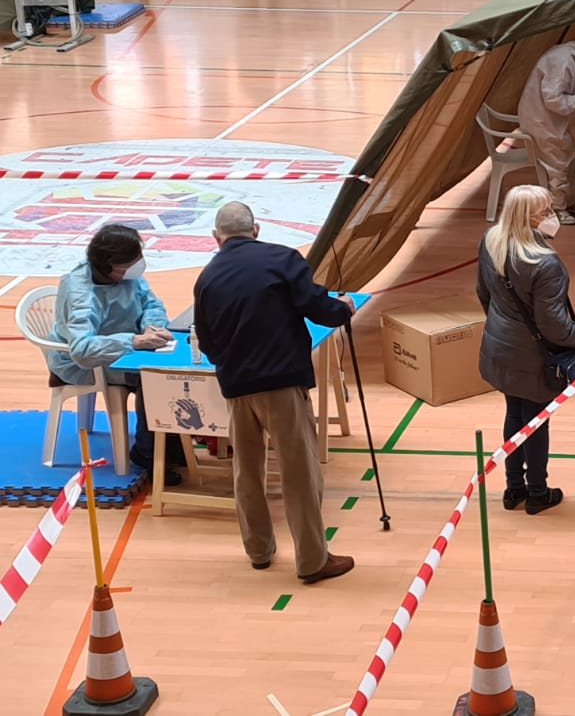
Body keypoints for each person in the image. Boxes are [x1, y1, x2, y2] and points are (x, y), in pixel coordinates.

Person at [192, 202, 355, 583]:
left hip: (235, 386)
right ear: (257, 229)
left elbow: (208, 340)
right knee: (299, 470)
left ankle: (259, 550)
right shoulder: (282, 259)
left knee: (246, 471)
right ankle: (313, 560)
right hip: (280, 382)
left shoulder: (207, 277)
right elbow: (316, 307)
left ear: (216, 238)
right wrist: (342, 308)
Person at [476, 185, 575, 515]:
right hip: (533, 357)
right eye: (546, 211)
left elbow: (483, 293)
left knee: (514, 414)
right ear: (529, 217)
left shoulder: (491, 241)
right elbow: (552, 322)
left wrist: (500, 328)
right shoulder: (544, 263)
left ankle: (514, 489)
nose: (551, 216)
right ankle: (538, 492)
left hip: (498, 346)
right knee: (536, 422)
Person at [47, 225, 184, 484]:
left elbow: (152, 303)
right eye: (130, 264)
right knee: (153, 378)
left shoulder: (126, 274)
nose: (136, 268)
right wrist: (133, 340)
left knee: (172, 369)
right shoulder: (81, 293)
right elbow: (82, 351)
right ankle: (148, 453)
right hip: (87, 364)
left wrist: (151, 326)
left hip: (127, 348)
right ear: (111, 265)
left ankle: (170, 440)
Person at [517, 40, 575, 224]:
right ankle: (557, 209)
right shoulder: (561, 62)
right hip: (541, 120)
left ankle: (568, 202)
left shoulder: (565, 56)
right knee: (558, 164)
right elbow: (553, 99)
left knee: (569, 156)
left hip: (549, 120)